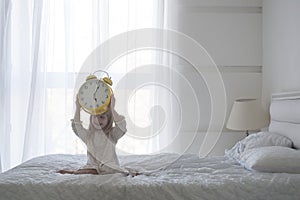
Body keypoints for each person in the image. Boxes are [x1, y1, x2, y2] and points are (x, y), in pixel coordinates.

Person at [58, 94, 136, 176]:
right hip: (92, 167)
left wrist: (112, 108)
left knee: (111, 169)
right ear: (91, 118)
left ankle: (75, 172)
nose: (97, 120)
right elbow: (77, 127)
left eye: (102, 117)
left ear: (108, 120)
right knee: (92, 170)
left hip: (109, 166)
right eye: (95, 117)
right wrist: (78, 108)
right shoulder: (88, 135)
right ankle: (76, 172)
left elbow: (121, 125)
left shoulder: (112, 134)